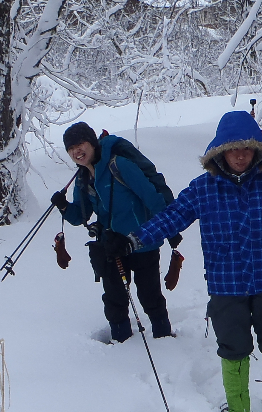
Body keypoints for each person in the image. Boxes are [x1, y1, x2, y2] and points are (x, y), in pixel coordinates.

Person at [100, 110, 262, 412]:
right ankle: (238, 411)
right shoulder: (202, 189)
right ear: (219, 151)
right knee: (233, 347)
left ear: (258, 150)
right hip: (226, 287)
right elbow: (170, 219)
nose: (240, 155)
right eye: (232, 148)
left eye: (247, 148)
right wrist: (132, 240)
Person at [53, 122, 173, 343]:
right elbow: (80, 216)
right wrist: (63, 206)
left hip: (142, 242)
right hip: (111, 245)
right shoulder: (83, 178)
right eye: (71, 149)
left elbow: (152, 197)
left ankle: (164, 339)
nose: (76, 152)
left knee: (149, 296)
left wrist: (167, 227)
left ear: (92, 143)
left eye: (80, 144)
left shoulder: (120, 166)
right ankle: (121, 343)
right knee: (114, 299)